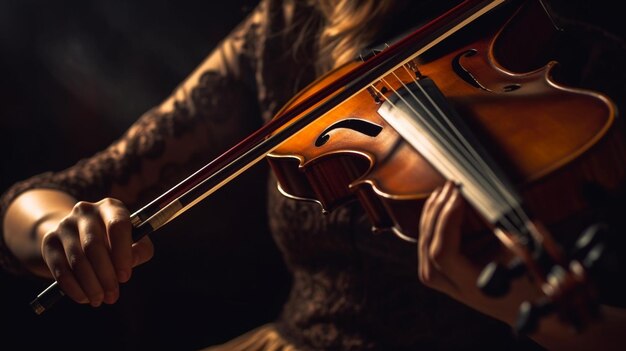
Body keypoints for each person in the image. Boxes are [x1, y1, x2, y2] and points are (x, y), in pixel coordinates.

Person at [2, 0, 626, 350]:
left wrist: (543, 318)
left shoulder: (571, 49)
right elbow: (32, 204)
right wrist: (61, 230)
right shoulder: (293, 25)